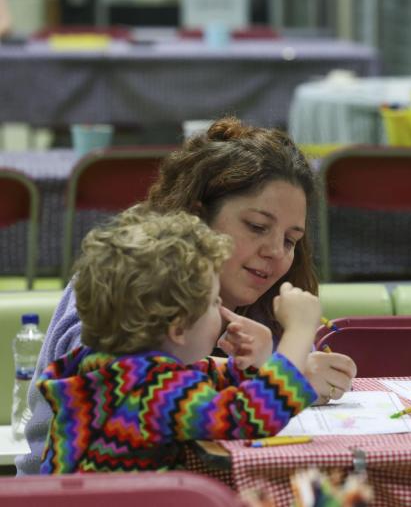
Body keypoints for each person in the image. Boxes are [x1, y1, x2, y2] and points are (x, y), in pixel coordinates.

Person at [17, 117, 358, 474]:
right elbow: (247, 414)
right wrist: (298, 341)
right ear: (198, 217)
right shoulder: (129, 299)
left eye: (291, 240)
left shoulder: (134, 368)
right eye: (257, 227)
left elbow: (200, 375)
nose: (275, 250)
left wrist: (263, 361)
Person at [38, 209, 320, 473]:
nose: (222, 309)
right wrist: (298, 332)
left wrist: (245, 365)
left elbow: (200, 379)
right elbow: (247, 417)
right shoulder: (151, 391)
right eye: (213, 302)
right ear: (178, 327)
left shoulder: (106, 368)